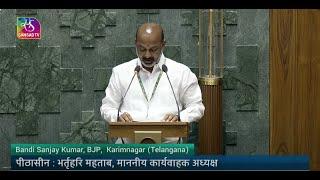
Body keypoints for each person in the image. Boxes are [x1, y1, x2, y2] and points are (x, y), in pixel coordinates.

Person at [100, 23, 205, 143]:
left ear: (163, 45)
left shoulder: (181, 72)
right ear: (135, 44)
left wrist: (180, 117)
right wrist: (117, 116)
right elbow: (106, 107)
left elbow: (197, 107)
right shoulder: (120, 72)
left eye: (153, 49)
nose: (147, 55)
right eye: (142, 49)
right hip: (128, 147)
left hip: (169, 147)